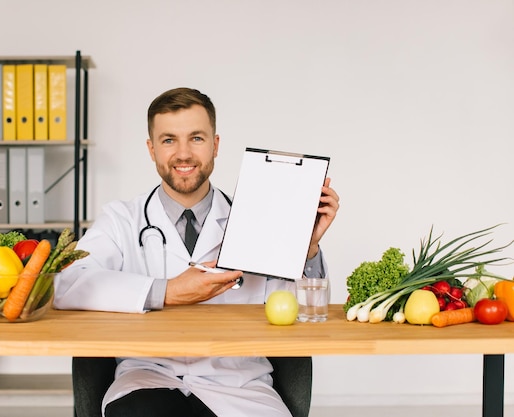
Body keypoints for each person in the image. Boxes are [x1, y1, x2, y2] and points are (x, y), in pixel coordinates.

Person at [53, 87, 340, 417]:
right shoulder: (122, 220)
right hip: (147, 380)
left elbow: (299, 314)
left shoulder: (259, 220)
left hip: (239, 385)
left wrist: (308, 249)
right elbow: (68, 282)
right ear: (152, 149)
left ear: (216, 145)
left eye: (197, 138)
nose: (183, 153)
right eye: (169, 140)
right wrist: (169, 291)